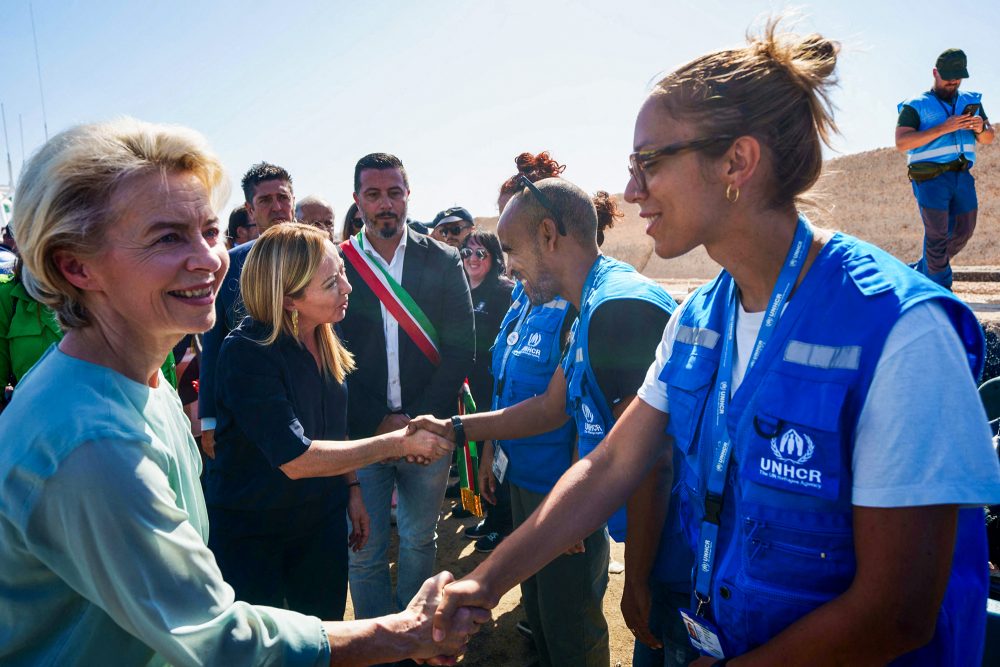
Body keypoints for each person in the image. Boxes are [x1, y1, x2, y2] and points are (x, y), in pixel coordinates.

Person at [428, 20, 1000, 666]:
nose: (633, 192)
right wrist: (481, 580)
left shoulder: (899, 329)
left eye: (649, 164)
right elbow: (610, 466)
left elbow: (897, 610)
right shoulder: (699, 315)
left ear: (737, 162)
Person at [0, 118, 487, 666]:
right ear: (75, 265)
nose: (209, 259)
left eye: (209, 231)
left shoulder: (142, 382)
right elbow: (216, 638)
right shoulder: (89, 445)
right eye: (167, 237)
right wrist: (401, 635)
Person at [417, 173, 680, 666]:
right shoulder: (587, 308)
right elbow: (551, 407)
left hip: (674, 547)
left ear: (548, 236)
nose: (509, 267)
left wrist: (638, 578)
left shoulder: (617, 309)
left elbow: (653, 462)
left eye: (511, 250)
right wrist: (453, 430)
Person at [205, 222, 455, 621]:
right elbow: (297, 458)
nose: (347, 287)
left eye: (342, 272)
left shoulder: (323, 335)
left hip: (318, 522)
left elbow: (332, 429)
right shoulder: (248, 353)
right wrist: (399, 443)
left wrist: (352, 489)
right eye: (331, 281)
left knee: (324, 629)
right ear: (289, 298)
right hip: (257, 532)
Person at [339, 153, 475, 625]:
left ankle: (413, 636)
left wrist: (418, 422)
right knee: (366, 549)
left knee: (420, 539)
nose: (385, 204)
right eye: (373, 194)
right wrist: (380, 421)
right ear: (357, 201)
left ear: (408, 194)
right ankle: (379, 642)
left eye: (394, 192)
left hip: (429, 427)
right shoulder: (339, 263)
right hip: (364, 433)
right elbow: (330, 356)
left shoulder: (442, 258)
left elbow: (462, 347)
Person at [199, 161, 295, 458]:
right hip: (248, 414)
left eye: (283, 198)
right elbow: (213, 344)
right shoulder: (228, 266)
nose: (277, 207)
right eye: (265, 200)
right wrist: (209, 418)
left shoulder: (324, 258)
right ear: (250, 210)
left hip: (313, 408)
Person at [896, 48, 995, 289]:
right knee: (937, 236)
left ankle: (921, 271)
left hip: (961, 176)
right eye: (948, 77)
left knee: (964, 230)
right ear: (935, 73)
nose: (953, 82)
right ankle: (942, 290)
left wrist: (980, 127)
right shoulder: (915, 105)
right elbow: (902, 143)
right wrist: (944, 128)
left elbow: (988, 138)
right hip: (929, 178)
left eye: (957, 77)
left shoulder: (971, 101)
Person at [456, 230, 514, 553]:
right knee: (472, 453)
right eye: (467, 253)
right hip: (467, 387)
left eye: (481, 254)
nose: (472, 259)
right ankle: (483, 512)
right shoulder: (459, 290)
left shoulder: (504, 291)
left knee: (496, 458)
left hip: (494, 386)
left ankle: (500, 522)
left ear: (493, 258)